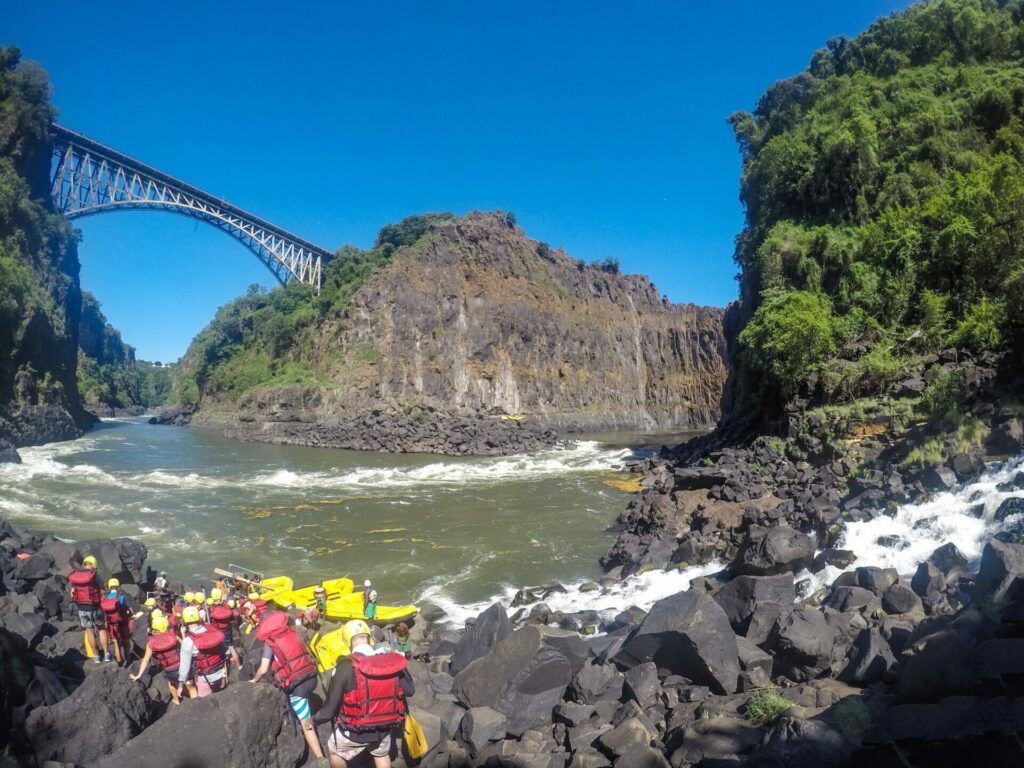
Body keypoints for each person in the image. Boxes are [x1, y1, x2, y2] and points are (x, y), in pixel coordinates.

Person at [315, 619, 414, 768]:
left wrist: (314, 720)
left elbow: (329, 711)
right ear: (369, 637)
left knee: (334, 750)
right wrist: (398, 663)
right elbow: (410, 690)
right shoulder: (389, 661)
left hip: (356, 731)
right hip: (385, 727)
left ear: (348, 641)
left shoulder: (344, 666)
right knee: (381, 753)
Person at [251, 609, 326, 763]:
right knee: (304, 703)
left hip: (298, 686)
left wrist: (254, 680)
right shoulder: (293, 631)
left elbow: (264, 669)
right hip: (312, 677)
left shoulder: (270, 642)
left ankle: (320, 758)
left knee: (306, 722)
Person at [176, 605, 228, 698]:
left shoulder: (188, 641)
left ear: (184, 621)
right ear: (198, 617)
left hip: (205, 679)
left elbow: (185, 667)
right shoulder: (211, 629)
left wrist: (181, 685)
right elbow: (226, 651)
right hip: (221, 673)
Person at [130, 614, 183, 704]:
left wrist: (139, 675)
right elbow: (184, 647)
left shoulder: (151, 643)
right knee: (187, 682)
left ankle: (176, 700)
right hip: (183, 665)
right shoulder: (174, 636)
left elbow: (145, 660)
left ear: (155, 630)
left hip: (171, 670)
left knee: (171, 684)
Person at [68, 555, 109, 664]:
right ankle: (106, 655)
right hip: (95, 607)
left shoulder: (76, 576)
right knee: (101, 629)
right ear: (94, 565)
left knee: (89, 632)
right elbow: (104, 591)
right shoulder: (94, 576)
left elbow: (72, 593)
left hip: (82, 608)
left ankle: (96, 657)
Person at [206, 589, 242, 677]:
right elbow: (233, 616)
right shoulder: (227, 605)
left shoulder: (210, 609)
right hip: (227, 631)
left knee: (221, 650)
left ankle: (224, 670)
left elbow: (208, 621)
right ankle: (239, 666)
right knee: (231, 648)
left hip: (217, 633)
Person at [101, 578, 132, 665]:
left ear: (110, 586)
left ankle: (119, 662)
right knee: (125, 643)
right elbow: (125, 608)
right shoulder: (120, 596)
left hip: (111, 623)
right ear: (118, 586)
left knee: (116, 643)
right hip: (122, 622)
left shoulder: (105, 597)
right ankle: (128, 661)